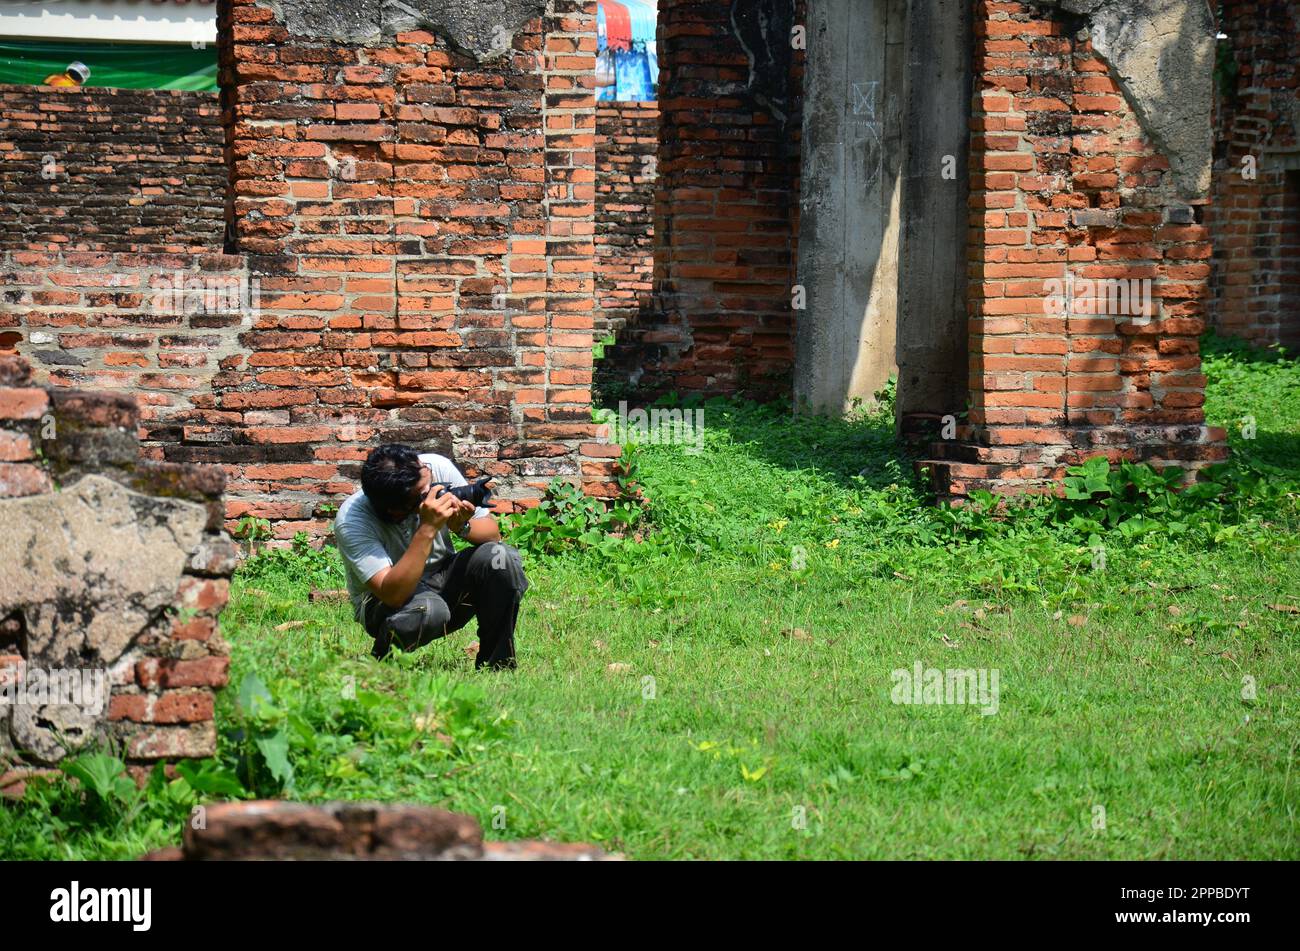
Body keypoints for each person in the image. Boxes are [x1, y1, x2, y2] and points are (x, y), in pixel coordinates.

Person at [333, 444, 528, 669]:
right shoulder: (353, 520)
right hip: (387, 603)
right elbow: (392, 594)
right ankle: (380, 665)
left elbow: (493, 535)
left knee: (500, 557)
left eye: (429, 476)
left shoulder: (434, 467)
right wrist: (427, 528)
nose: (437, 489)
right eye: (426, 492)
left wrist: (461, 527)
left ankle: (498, 666)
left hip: (443, 578)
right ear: (398, 509)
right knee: (429, 609)